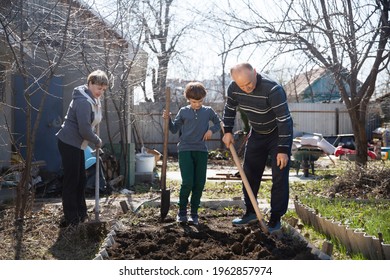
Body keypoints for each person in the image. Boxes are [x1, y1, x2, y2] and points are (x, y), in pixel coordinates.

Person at [222, 63, 293, 232]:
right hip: (257, 133)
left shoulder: (273, 89)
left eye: (249, 83)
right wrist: (228, 131)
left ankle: (275, 219)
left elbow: (284, 120)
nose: (247, 88)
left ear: (255, 72)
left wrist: (283, 149)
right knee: (250, 173)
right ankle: (251, 212)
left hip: (277, 134)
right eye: (242, 86)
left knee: (279, 175)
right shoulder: (233, 88)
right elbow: (229, 108)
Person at [162, 82, 221, 225]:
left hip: (201, 150)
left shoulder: (208, 111)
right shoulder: (183, 111)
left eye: (200, 101)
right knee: (188, 182)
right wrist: (168, 119)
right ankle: (182, 211)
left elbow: (219, 123)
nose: (197, 104)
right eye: (194, 102)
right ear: (188, 99)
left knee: (199, 183)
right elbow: (174, 129)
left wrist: (211, 130)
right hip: (185, 149)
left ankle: (194, 213)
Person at [56, 70, 108, 227]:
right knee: (72, 181)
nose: (101, 92)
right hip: (69, 142)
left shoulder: (92, 100)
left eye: (103, 89)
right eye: (99, 88)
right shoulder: (83, 102)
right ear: (90, 83)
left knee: (81, 179)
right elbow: (84, 130)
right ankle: (71, 219)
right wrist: (97, 140)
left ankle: (81, 214)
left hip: (78, 144)